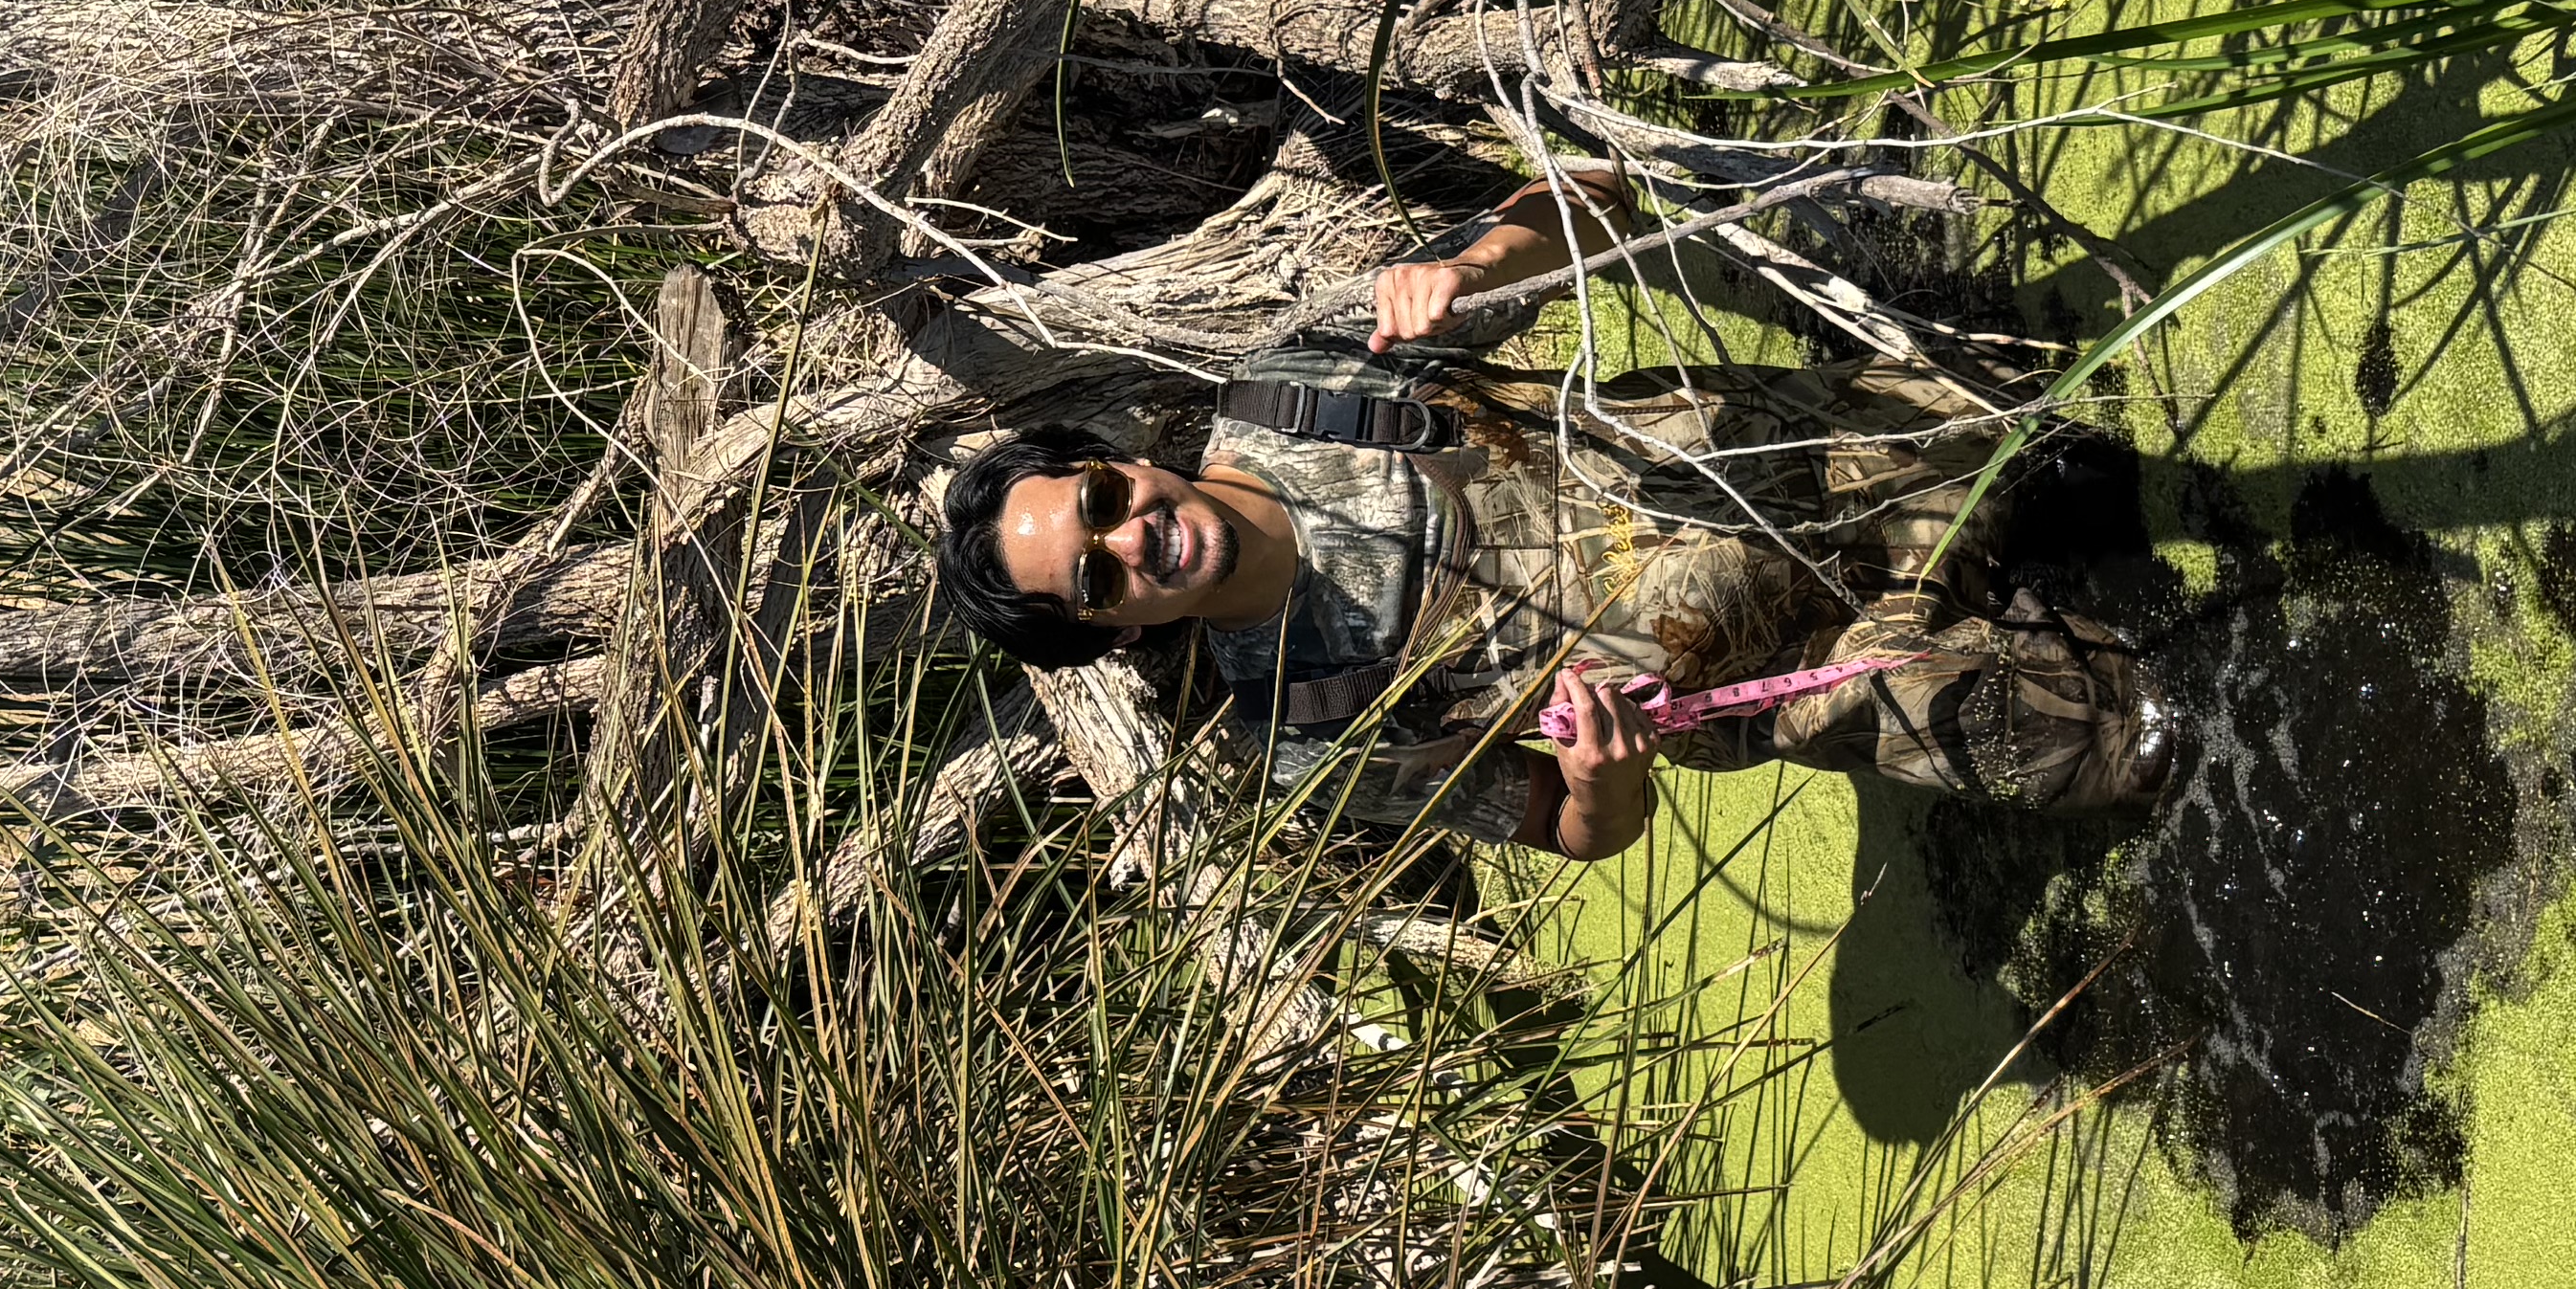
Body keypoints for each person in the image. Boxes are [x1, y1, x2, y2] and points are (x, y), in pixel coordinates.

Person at [931, 175, 2178, 860]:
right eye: (1096, 578)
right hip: (1822, 675)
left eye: (1098, 502)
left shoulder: (1302, 379)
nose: (1130, 537)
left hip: (1846, 444)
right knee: (2146, 737)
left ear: (1110, 462)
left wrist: (1478, 269)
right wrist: (1603, 783)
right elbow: (1565, 830)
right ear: (1112, 635)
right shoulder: (1298, 726)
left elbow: (1592, 196)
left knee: (2119, 424)